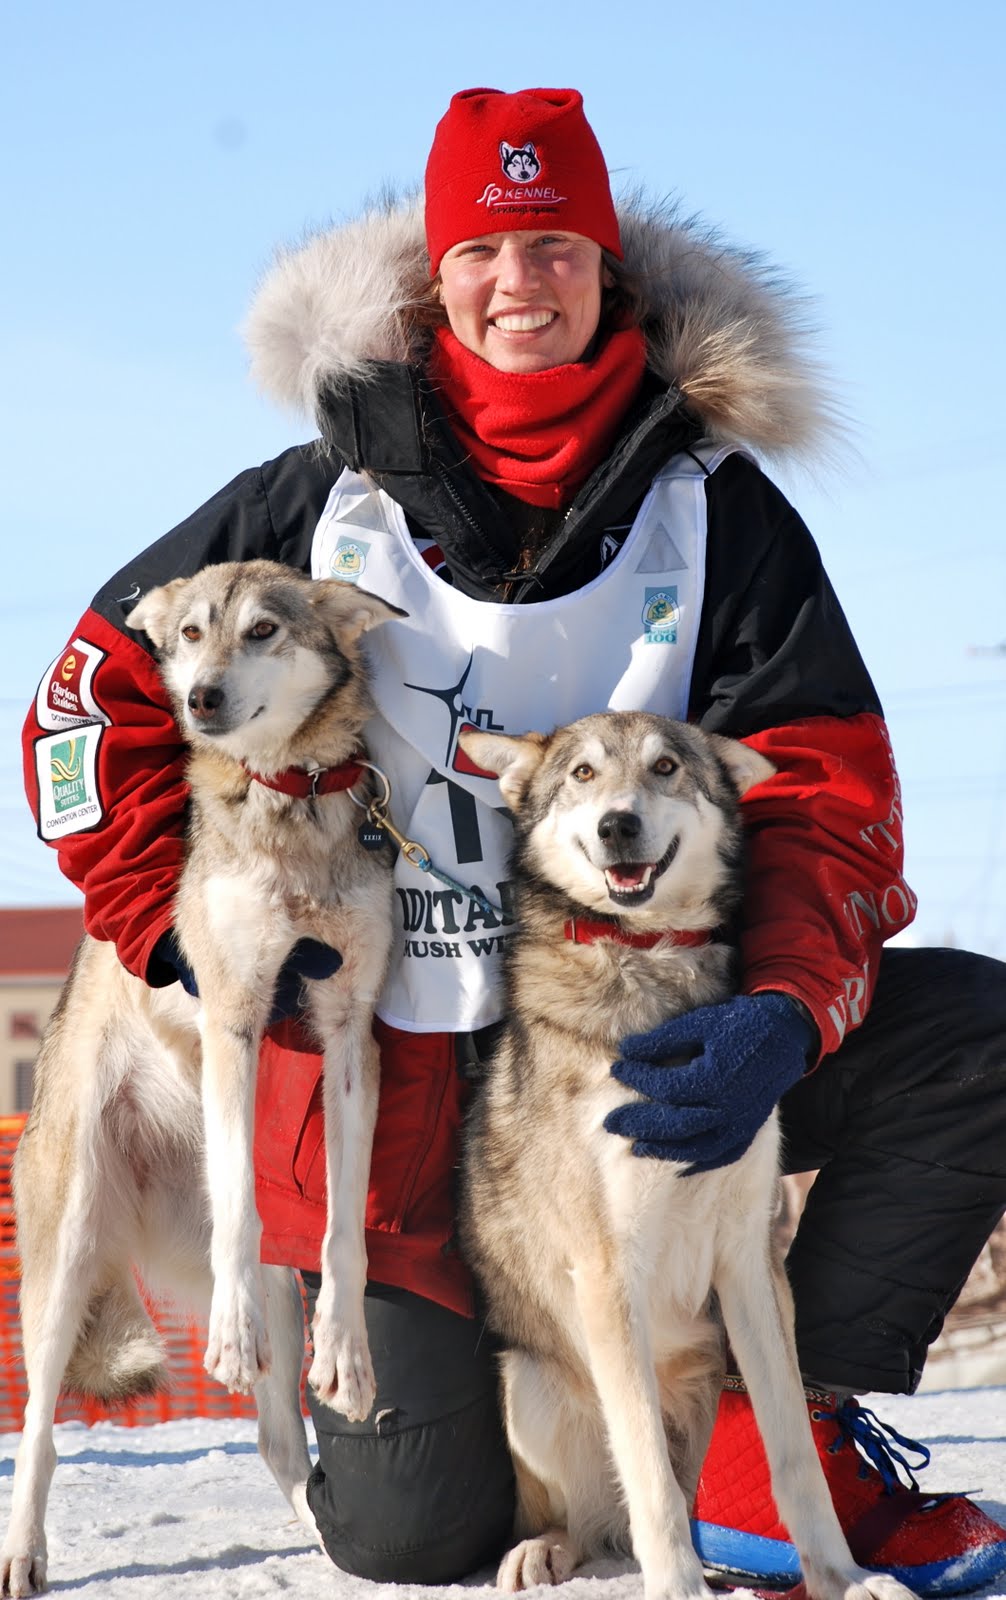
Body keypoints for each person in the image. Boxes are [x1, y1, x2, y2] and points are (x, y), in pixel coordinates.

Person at [22, 86, 1006, 1594]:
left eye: (554, 244)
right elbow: (86, 715)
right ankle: (506, 1410)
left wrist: (785, 1002)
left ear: (608, 267)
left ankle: (773, 1435)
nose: (518, 280)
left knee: (974, 1036)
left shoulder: (717, 512)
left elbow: (825, 788)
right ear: (438, 281)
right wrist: (179, 927)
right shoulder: (315, 498)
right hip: (404, 1094)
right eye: (483, 250)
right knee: (414, 1540)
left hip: (650, 1045)